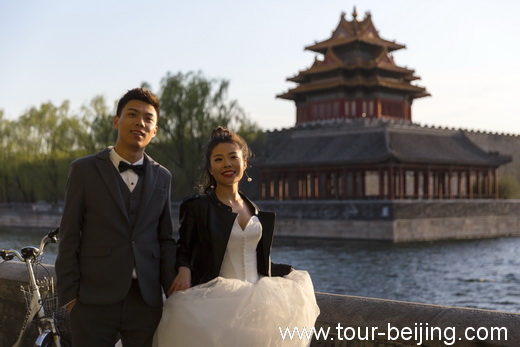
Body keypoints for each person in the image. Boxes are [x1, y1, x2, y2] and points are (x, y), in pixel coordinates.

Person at [154, 126, 320, 346]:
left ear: (244, 163)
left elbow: (256, 258)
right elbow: (184, 247)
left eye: (233, 157)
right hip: (216, 300)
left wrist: (288, 272)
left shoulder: (255, 210)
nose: (227, 164)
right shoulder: (198, 207)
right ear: (210, 168)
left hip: (256, 299)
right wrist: (183, 267)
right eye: (219, 159)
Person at [56, 88, 177, 347]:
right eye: (132, 114)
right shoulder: (83, 170)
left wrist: (170, 291)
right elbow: (69, 234)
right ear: (116, 121)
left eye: (148, 119)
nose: (140, 123)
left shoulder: (163, 176)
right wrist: (69, 296)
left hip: (145, 302)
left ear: (154, 130)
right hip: (91, 300)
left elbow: (165, 238)